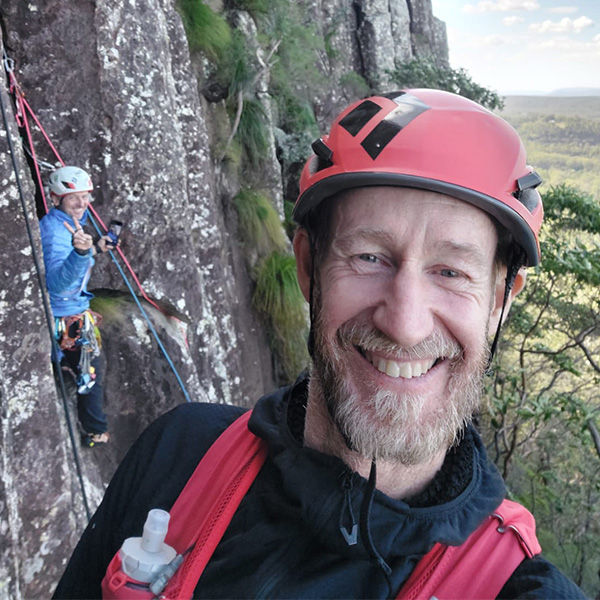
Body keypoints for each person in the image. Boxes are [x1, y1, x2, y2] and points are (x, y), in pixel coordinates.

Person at [53, 91, 586, 598]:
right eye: (369, 257)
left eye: (451, 272)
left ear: (499, 300)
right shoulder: (179, 453)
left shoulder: (513, 586)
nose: (405, 324)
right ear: (309, 267)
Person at [40, 166, 114, 447]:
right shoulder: (55, 234)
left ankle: (64, 362)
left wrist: (95, 249)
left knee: (94, 361)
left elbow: (72, 258)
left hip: (71, 308)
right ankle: (95, 430)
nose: (82, 204)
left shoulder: (63, 224)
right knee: (92, 371)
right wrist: (82, 253)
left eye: (85, 197)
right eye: (74, 198)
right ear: (55, 198)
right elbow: (59, 283)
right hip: (64, 315)